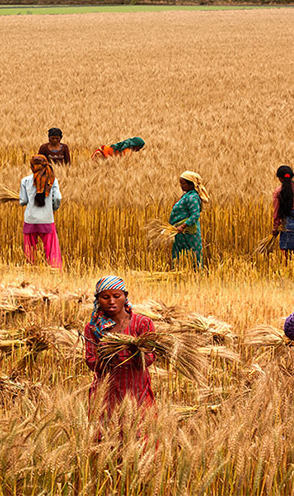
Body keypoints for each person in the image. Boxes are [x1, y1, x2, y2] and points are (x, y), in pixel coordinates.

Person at [83, 276, 155, 418]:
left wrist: (135, 350)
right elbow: (90, 360)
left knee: (141, 436)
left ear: (125, 296)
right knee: (106, 435)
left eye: (117, 296)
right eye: (105, 297)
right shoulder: (93, 328)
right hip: (106, 394)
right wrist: (106, 357)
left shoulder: (142, 324)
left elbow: (150, 358)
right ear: (98, 299)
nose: (111, 301)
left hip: (137, 392)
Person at [19, 155, 62, 269]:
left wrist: (25, 202)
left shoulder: (25, 181)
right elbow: (57, 198)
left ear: (32, 167)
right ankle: (55, 270)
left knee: (30, 249)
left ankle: (30, 269)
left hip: (30, 219)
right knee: (51, 248)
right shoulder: (52, 181)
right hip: (47, 219)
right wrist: (53, 208)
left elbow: (23, 201)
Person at [169, 171, 210, 268]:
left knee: (191, 255)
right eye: (180, 183)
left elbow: (195, 215)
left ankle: (194, 276)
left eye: (183, 183)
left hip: (188, 233)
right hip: (181, 233)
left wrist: (182, 226)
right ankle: (179, 274)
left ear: (191, 185)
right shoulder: (187, 195)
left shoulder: (192, 197)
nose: (181, 186)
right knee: (180, 256)